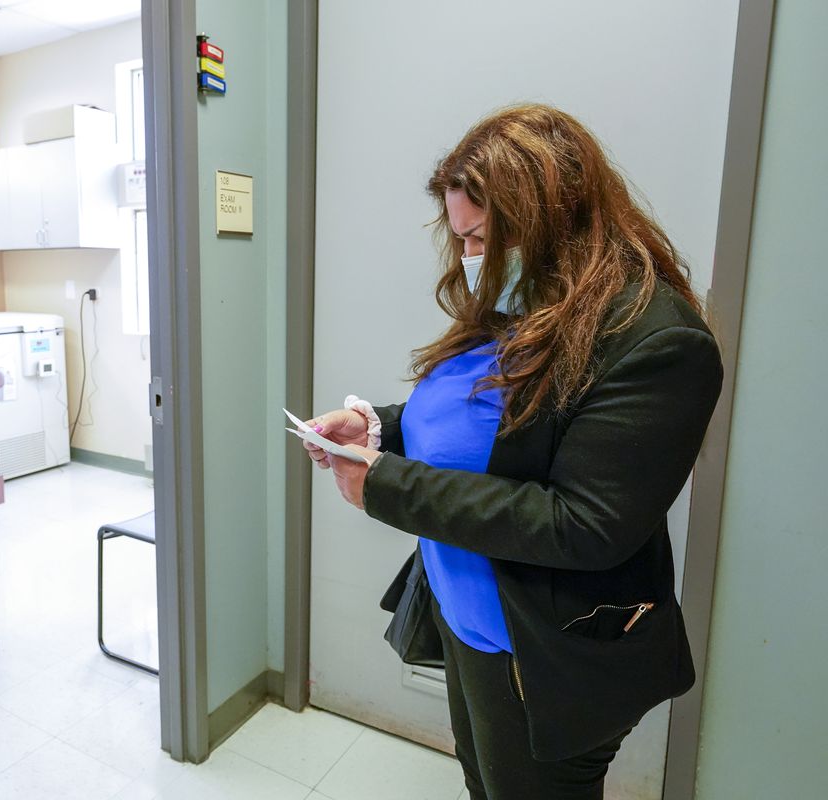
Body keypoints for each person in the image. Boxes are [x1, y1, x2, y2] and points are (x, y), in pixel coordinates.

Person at [302, 105, 723, 799]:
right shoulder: (527, 303)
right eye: (460, 239)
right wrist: (379, 428)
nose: (469, 260)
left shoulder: (658, 342)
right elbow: (479, 429)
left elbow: (581, 524)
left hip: (543, 655)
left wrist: (389, 487)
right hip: (468, 624)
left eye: (480, 239)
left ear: (551, 223)